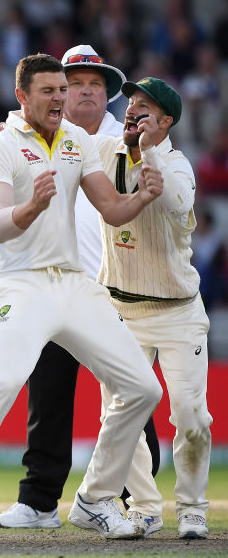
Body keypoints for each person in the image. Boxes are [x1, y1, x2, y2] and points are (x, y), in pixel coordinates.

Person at [0, 53, 164, 542]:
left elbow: (111, 209)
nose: (60, 98)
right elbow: (1, 224)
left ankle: (94, 499)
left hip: (73, 283)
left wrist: (142, 197)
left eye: (62, 90)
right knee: (2, 384)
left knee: (144, 389)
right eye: (48, 90)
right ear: (22, 97)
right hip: (20, 284)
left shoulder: (76, 142)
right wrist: (32, 206)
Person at [0, 44, 159, 529]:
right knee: (48, 399)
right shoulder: (30, 136)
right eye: (75, 83)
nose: (84, 92)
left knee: (130, 396)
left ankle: (136, 502)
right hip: (53, 284)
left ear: (108, 96)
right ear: (57, 92)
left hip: (113, 289)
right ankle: (40, 501)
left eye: (95, 85)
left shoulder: (120, 139)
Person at [94, 77, 211, 540]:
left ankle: (193, 509)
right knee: (122, 417)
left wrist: (149, 152)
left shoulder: (179, 166)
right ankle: (144, 507)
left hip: (178, 311)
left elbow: (177, 199)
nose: (132, 112)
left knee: (190, 415)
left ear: (165, 122)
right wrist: (14, 131)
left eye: (145, 109)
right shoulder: (105, 152)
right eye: (131, 105)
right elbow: (63, 147)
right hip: (120, 310)